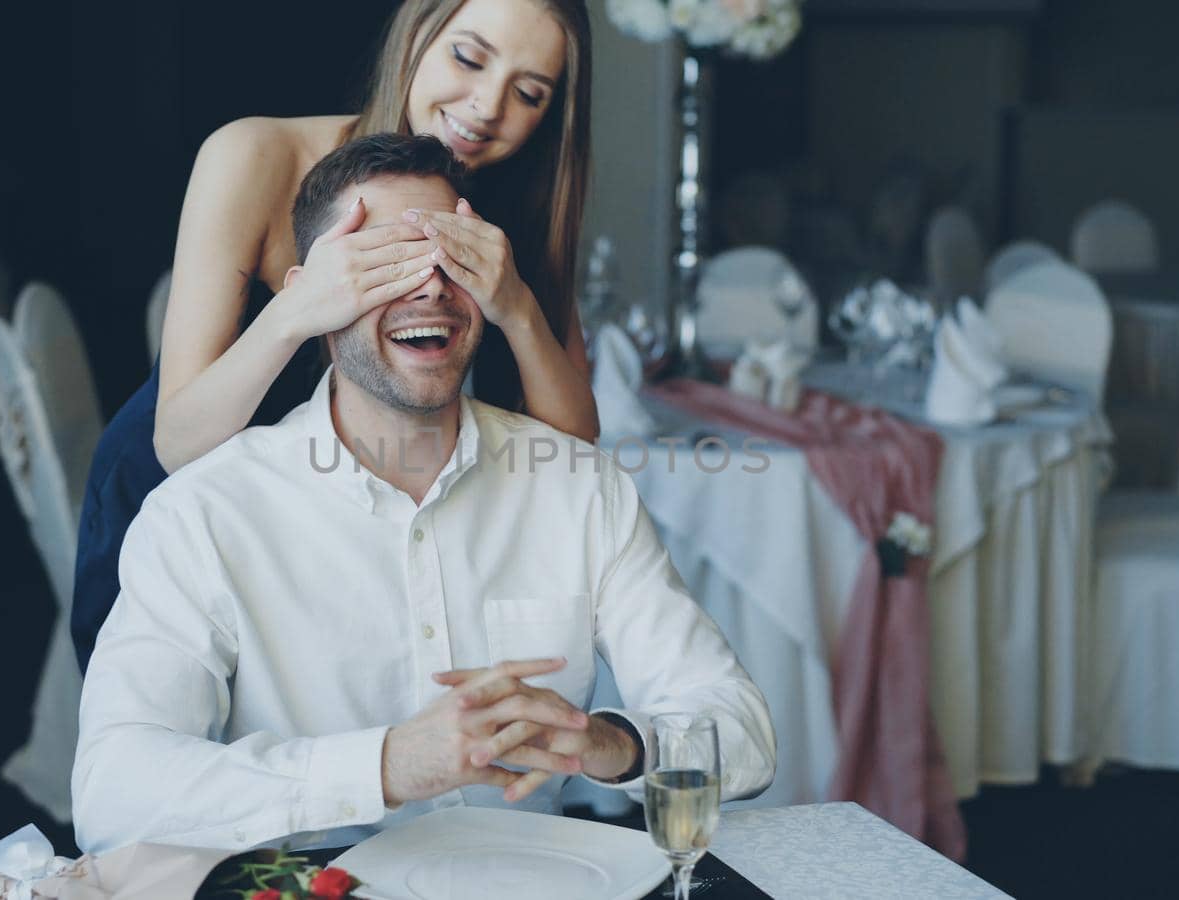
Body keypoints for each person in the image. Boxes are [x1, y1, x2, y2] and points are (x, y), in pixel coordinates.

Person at [71, 133, 775, 854]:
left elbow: (743, 731)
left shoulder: (579, 488)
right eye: (383, 263)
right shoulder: (207, 511)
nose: (430, 286)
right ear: (309, 298)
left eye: (452, 257)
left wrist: (608, 743)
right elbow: (112, 794)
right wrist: (384, 765)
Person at [72, 0, 600, 671]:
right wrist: (301, 310)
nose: (488, 106)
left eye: (530, 93)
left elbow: (575, 448)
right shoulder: (256, 155)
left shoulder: (517, 206)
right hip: (182, 525)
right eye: (468, 57)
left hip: (346, 559)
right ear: (415, 37)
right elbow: (177, 443)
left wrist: (515, 305)